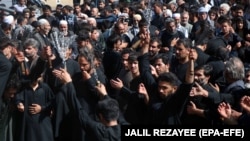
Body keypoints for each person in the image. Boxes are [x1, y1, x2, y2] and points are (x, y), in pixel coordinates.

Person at [52, 67, 123, 141]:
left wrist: (69, 83)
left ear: (101, 116)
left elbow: (79, 111)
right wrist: (105, 95)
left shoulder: (99, 131)